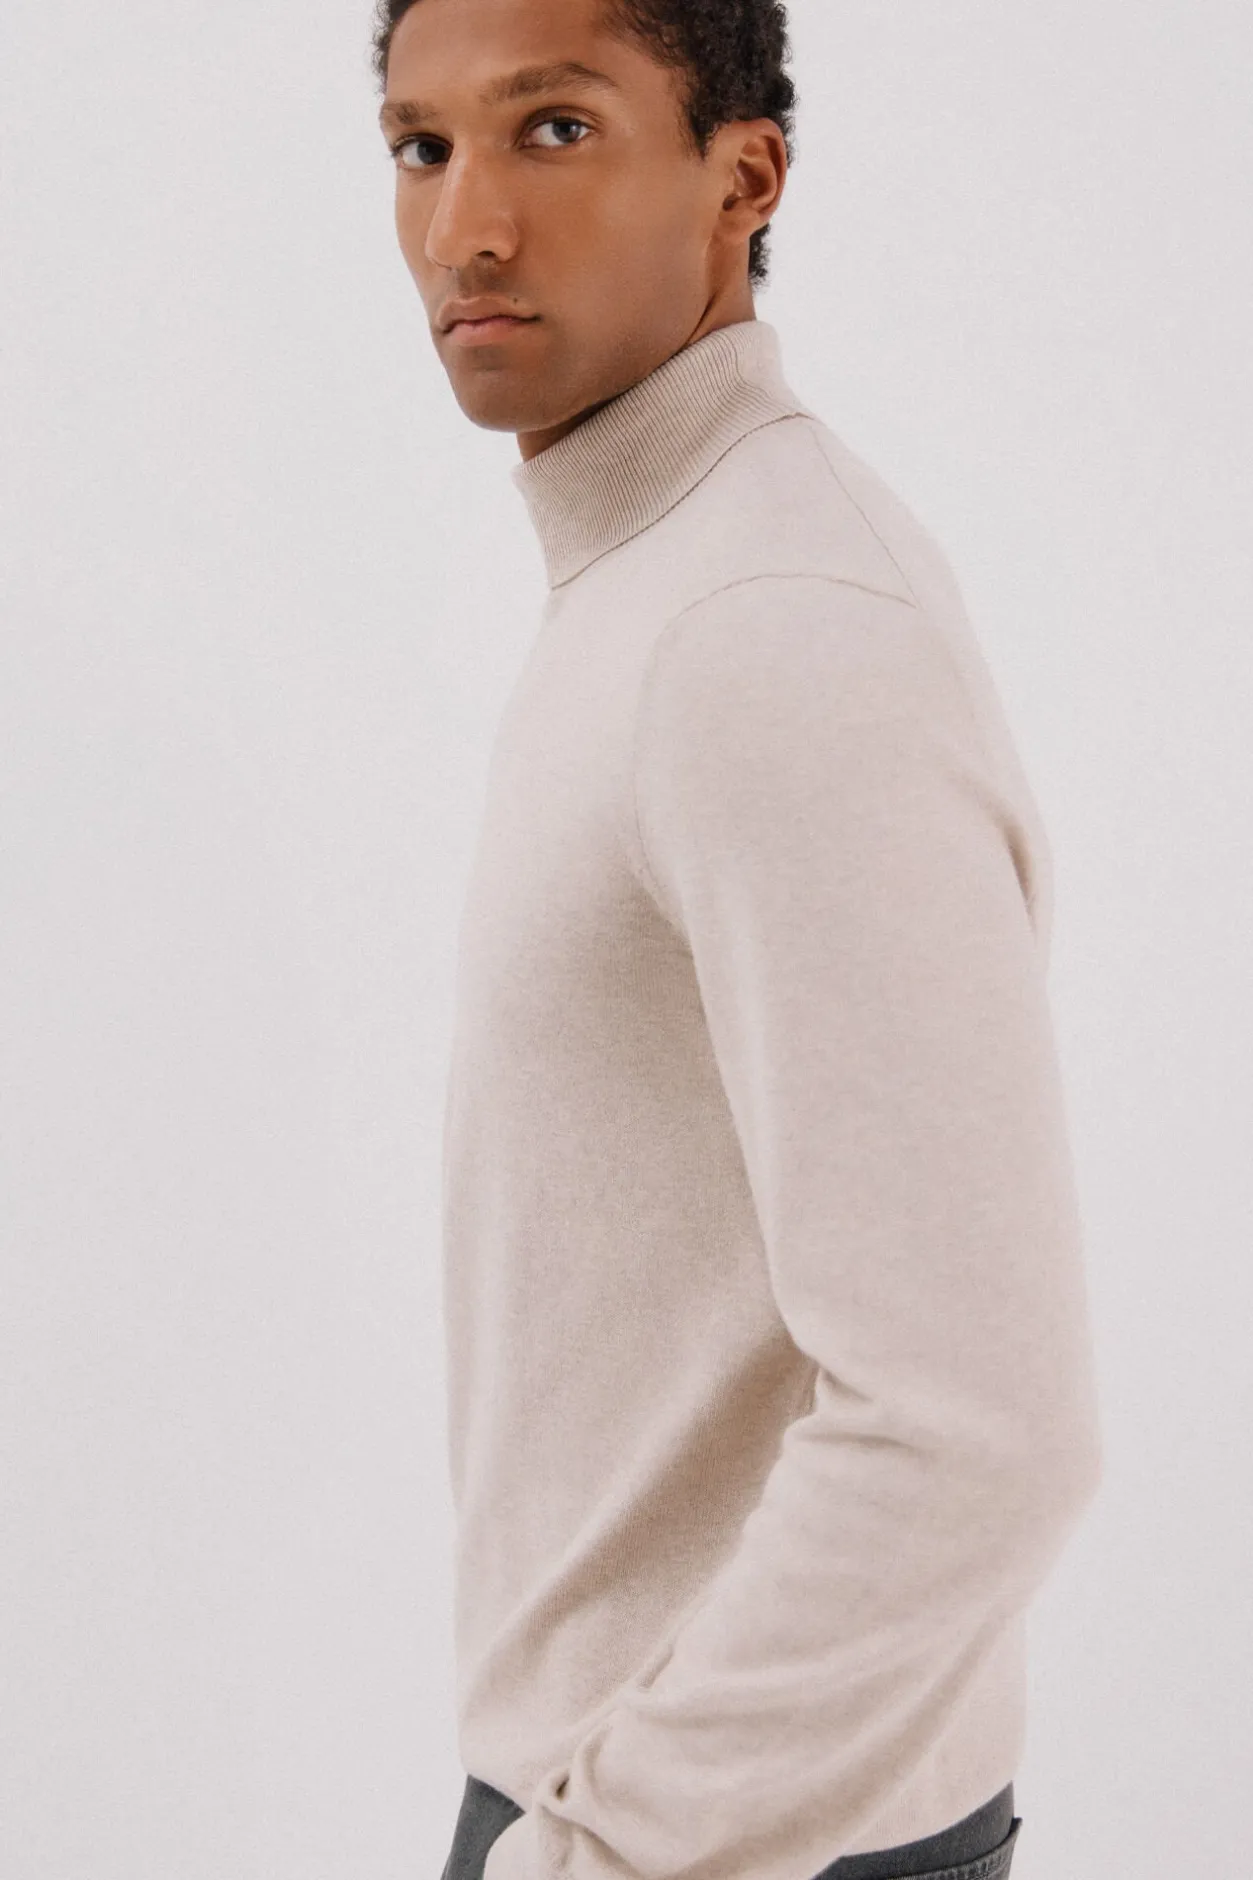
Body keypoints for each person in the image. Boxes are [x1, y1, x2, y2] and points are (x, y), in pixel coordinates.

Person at [370, 2, 1104, 1877]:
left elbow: (978, 1429)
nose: (465, 227)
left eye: (553, 129)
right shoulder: (667, 578)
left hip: (715, 1840)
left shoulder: (770, 627)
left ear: (744, 175)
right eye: (421, 146)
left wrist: (602, 1850)